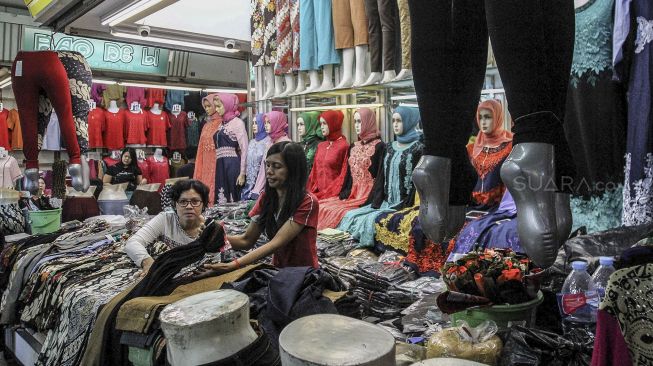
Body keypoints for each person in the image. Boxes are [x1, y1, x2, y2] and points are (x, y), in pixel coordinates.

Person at [204, 141, 319, 273]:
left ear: (293, 169)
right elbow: (246, 240)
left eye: (277, 166)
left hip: (304, 274)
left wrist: (233, 264)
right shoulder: (266, 198)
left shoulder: (307, 201)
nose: (269, 171)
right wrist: (211, 238)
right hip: (277, 270)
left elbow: (275, 243)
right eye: (268, 165)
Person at [125, 179, 209, 274]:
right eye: (183, 201)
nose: (189, 206)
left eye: (195, 201)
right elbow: (133, 243)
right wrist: (148, 262)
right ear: (175, 204)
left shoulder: (209, 227)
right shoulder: (165, 219)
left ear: (203, 204)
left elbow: (218, 258)